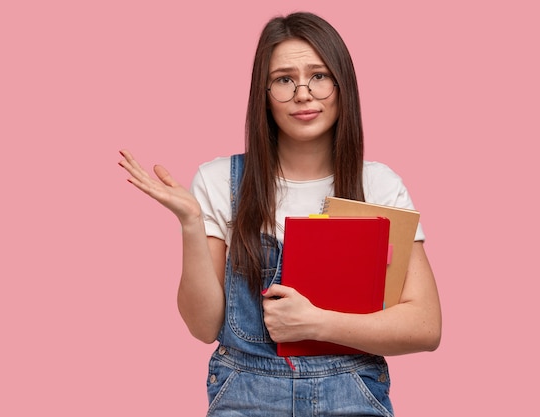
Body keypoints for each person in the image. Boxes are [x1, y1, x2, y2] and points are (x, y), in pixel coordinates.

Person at [119, 11, 441, 416]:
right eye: (284, 79)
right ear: (264, 93)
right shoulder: (220, 181)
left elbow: (425, 326)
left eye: (319, 76)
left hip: (353, 392)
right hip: (245, 396)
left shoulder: (377, 185)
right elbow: (203, 327)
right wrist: (189, 224)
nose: (303, 93)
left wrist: (315, 323)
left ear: (343, 86)